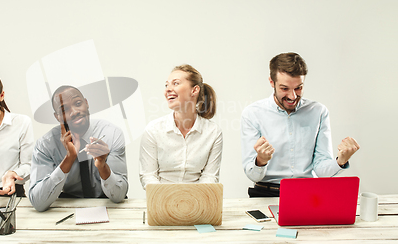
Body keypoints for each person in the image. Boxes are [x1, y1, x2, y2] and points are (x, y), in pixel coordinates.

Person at [241, 52, 360, 197]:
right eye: (284, 89)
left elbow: (321, 169)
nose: (293, 96)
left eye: (298, 88)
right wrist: (261, 161)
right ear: (272, 82)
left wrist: (341, 160)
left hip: (308, 193)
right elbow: (253, 175)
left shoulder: (318, 112)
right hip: (266, 193)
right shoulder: (252, 114)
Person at [29, 85, 128, 212]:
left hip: (107, 205)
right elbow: (38, 202)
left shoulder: (111, 134)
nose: (74, 111)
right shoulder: (46, 145)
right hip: (67, 206)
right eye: (64, 109)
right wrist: (68, 159)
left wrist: (103, 166)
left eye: (78, 103)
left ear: (86, 104)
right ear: (57, 117)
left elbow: (119, 195)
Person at [139, 64, 223, 189]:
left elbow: (210, 177)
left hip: (197, 201)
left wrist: (190, 200)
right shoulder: (153, 130)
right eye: (166, 85)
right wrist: (168, 199)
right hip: (161, 200)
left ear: (194, 90)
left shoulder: (213, 132)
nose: (168, 89)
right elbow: (148, 176)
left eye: (176, 83)